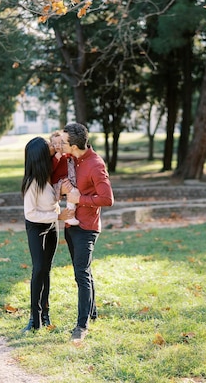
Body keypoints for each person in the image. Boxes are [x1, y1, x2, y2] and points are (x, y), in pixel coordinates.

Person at [60, 123, 114, 342]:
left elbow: (107, 199)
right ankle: (92, 313)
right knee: (82, 272)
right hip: (71, 226)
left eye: (63, 142)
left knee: (81, 274)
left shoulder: (95, 164)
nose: (60, 144)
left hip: (87, 228)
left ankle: (81, 326)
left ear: (73, 145)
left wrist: (78, 199)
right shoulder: (71, 160)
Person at [21, 137, 74, 333]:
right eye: (49, 147)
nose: (53, 148)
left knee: (47, 270)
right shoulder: (32, 183)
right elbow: (30, 213)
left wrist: (61, 191)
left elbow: (52, 200)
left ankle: (45, 313)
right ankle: (34, 319)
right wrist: (58, 215)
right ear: (41, 156)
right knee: (38, 269)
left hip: (52, 226)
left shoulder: (47, 176)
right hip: (37, 228)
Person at [49, 131, 80, 226]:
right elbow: (50, 170)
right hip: (57, 183)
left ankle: (71, 214)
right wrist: (56, 158)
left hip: (66, 181)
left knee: (75, 192)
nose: (57, 145)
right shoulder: (54, 158)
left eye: (60, 143)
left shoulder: (67, 156)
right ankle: (70, 217)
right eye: (54, 144)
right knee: (73, 192)